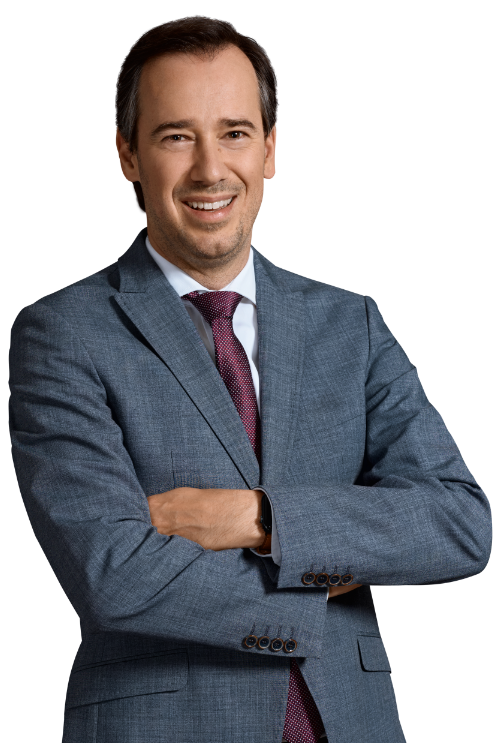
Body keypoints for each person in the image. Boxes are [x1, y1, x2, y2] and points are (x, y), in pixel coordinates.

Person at [8, 15, 492, 743]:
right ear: (127, 154)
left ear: (269, 149)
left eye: (234, 132)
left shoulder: (351, 323)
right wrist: (320, 588)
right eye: (176, 136)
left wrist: (258, 519)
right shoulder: (63, 332)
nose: (210, 169)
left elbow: (458, 523)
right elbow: (114, 575)